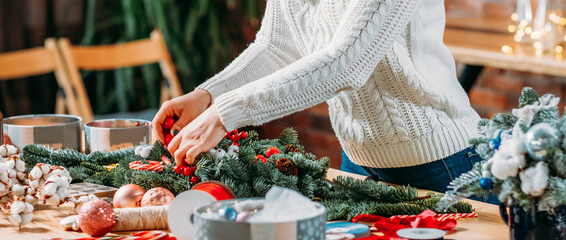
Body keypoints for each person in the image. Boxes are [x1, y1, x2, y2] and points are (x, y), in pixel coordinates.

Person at [153, 0, 483, 193]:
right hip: (358, 159)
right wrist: (209, 95)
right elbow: (276, 46)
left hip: (442, 162)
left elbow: (347, 60)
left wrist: (225, 113)